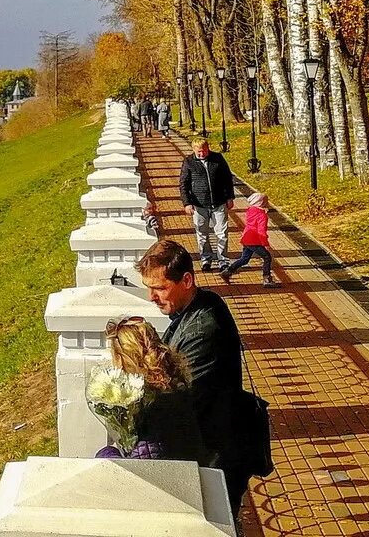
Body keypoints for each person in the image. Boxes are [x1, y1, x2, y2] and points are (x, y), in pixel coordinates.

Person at [137, 239, 252, 516]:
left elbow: (178, 395)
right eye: (149, 288)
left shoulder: (202, 328)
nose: (152, 298)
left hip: (213, 454)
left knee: (216, 523)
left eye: (160, 288)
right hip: (212, 446)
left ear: (187, 280)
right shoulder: (200, 303)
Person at [95, 317, 209, 462]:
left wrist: (107, 455)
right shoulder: (176, 385)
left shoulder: (150, 404)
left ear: (123, 359)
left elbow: (146, 462)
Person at [179, 138, 235, 271]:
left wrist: (230, 197)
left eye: (204, 151)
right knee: (202, 233)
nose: (202, 154)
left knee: (222, 233)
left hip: (219, 202)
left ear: (208, 148)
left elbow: (227, 178)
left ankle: (223, 260)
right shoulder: (189, 162)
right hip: (199, 204)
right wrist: (187, 203)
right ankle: (206, 259)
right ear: (193, 150)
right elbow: (183, 184)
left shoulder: (217, 159)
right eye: (199, 152)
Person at [221, 192, 277, 286]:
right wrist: (266, 244)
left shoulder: (251, 210)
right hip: (255, 241)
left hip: (247, 238)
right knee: (267, 257)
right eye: (266, 201)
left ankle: (227, 272)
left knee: (244, 259)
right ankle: (267, 278)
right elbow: (261, 231)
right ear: (261, 203)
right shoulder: (262, 215)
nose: (268, 203)